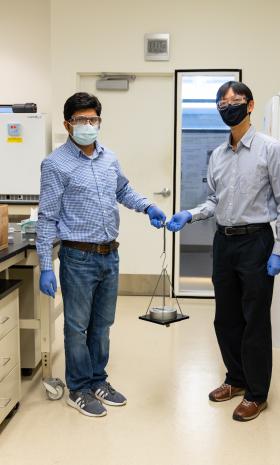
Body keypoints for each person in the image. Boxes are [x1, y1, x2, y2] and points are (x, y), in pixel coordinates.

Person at [167, 81, 280, 421]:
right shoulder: (219, 154)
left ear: (250, 106)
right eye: (222, 103)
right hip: (224, 241)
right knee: (226, 318)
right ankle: (235, 379)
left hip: (256, 242)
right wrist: (190, 214)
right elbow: (214, 200)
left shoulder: (271, 149)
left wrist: (278, 249)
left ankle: (256, 393)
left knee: (254, 320)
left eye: (234, 101)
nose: (228, 107)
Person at [37, 92, 166, 417]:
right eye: (81, 120)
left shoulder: (109, 158)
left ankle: (98, 381)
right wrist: (44, 266)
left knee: (102, 325)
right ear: (68, 124)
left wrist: (148, 205)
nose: (88, 125)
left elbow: (122, 190)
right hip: (78, 257)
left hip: (110, 255)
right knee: (77, 326)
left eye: (93, 119)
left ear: (99, 121)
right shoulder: (55, 164)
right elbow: (47, 216)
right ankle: (78, 388)